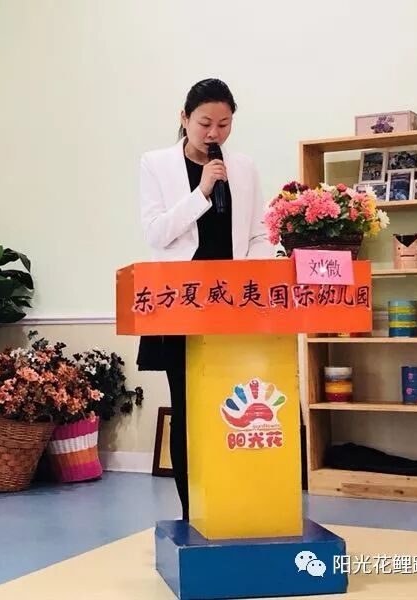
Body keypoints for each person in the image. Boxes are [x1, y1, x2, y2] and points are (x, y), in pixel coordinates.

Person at [137, 78, 273, 521]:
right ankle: (192, 513)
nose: (214, 133)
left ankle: (237, 506)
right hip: (181, 302)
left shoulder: (244, 167)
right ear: (184, 118)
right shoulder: (156, 163)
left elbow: (258, 233)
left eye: (224, 124)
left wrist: (255, 273)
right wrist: (202, 193)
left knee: (235, 404)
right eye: (204, 123)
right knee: (188, 407)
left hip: (233, 304)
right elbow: (157, 233)